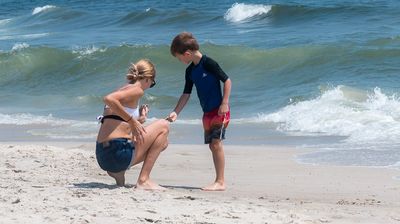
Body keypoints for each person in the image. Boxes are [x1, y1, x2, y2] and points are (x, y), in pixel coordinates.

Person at [167, 32, 232, 191]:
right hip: (207, 113)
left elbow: (227, 80)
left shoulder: (209, 63)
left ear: (187, 54)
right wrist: (176, 112)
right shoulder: (190, 72)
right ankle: (219, 181)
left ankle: (221, 182)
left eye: (179, 57)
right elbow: (186, 94)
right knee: (212, 146)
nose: (179, 60)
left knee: (216, 143)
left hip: (219, 111)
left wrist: (225, 102)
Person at [96, 59, 169, 190]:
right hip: (117, 152)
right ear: (147, 78)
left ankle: (118, 173)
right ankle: (143, 180)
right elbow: (108, 99)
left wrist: (140, 119)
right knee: (163, 126)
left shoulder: (123, 90)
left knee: (163, 142)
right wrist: (132, 121)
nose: (151, 85)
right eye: (152, 82)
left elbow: (117, 122)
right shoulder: (137, 90)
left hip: (103, 155)